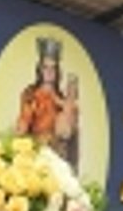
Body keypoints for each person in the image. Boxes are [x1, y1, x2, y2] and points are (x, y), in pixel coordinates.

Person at [16, 36, 79, 169]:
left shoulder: (62, 100)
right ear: (39, 70)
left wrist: (69, 105)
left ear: (57, 72)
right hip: (36, 152)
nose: (49, 72)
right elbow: (23, 123)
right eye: (45, 67)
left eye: (53, 68)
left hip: (57, 156)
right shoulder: (30, 94)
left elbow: (68, 133)